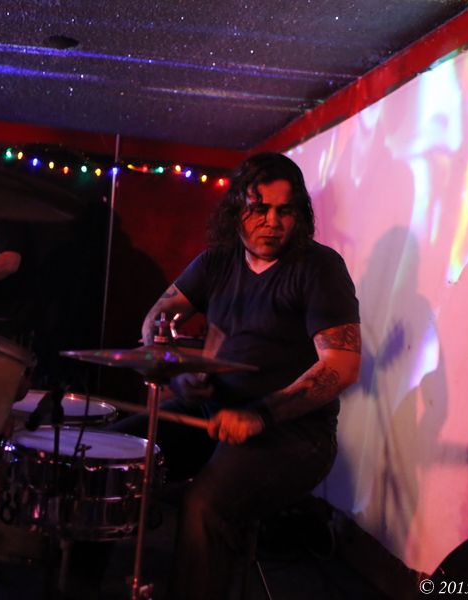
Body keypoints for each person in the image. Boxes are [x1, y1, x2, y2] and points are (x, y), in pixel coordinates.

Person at [133, 152, 361, 599]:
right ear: (236, 209)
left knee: (205, 505)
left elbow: (342, 365)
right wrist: (174, 367)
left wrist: (262, 414)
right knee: (115, 454)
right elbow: (158, 314)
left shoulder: (319, 268)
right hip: (210, 414)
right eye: (259, 209)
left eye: (284, 211)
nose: (272, 222)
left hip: (292, 435)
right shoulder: (216, 262)